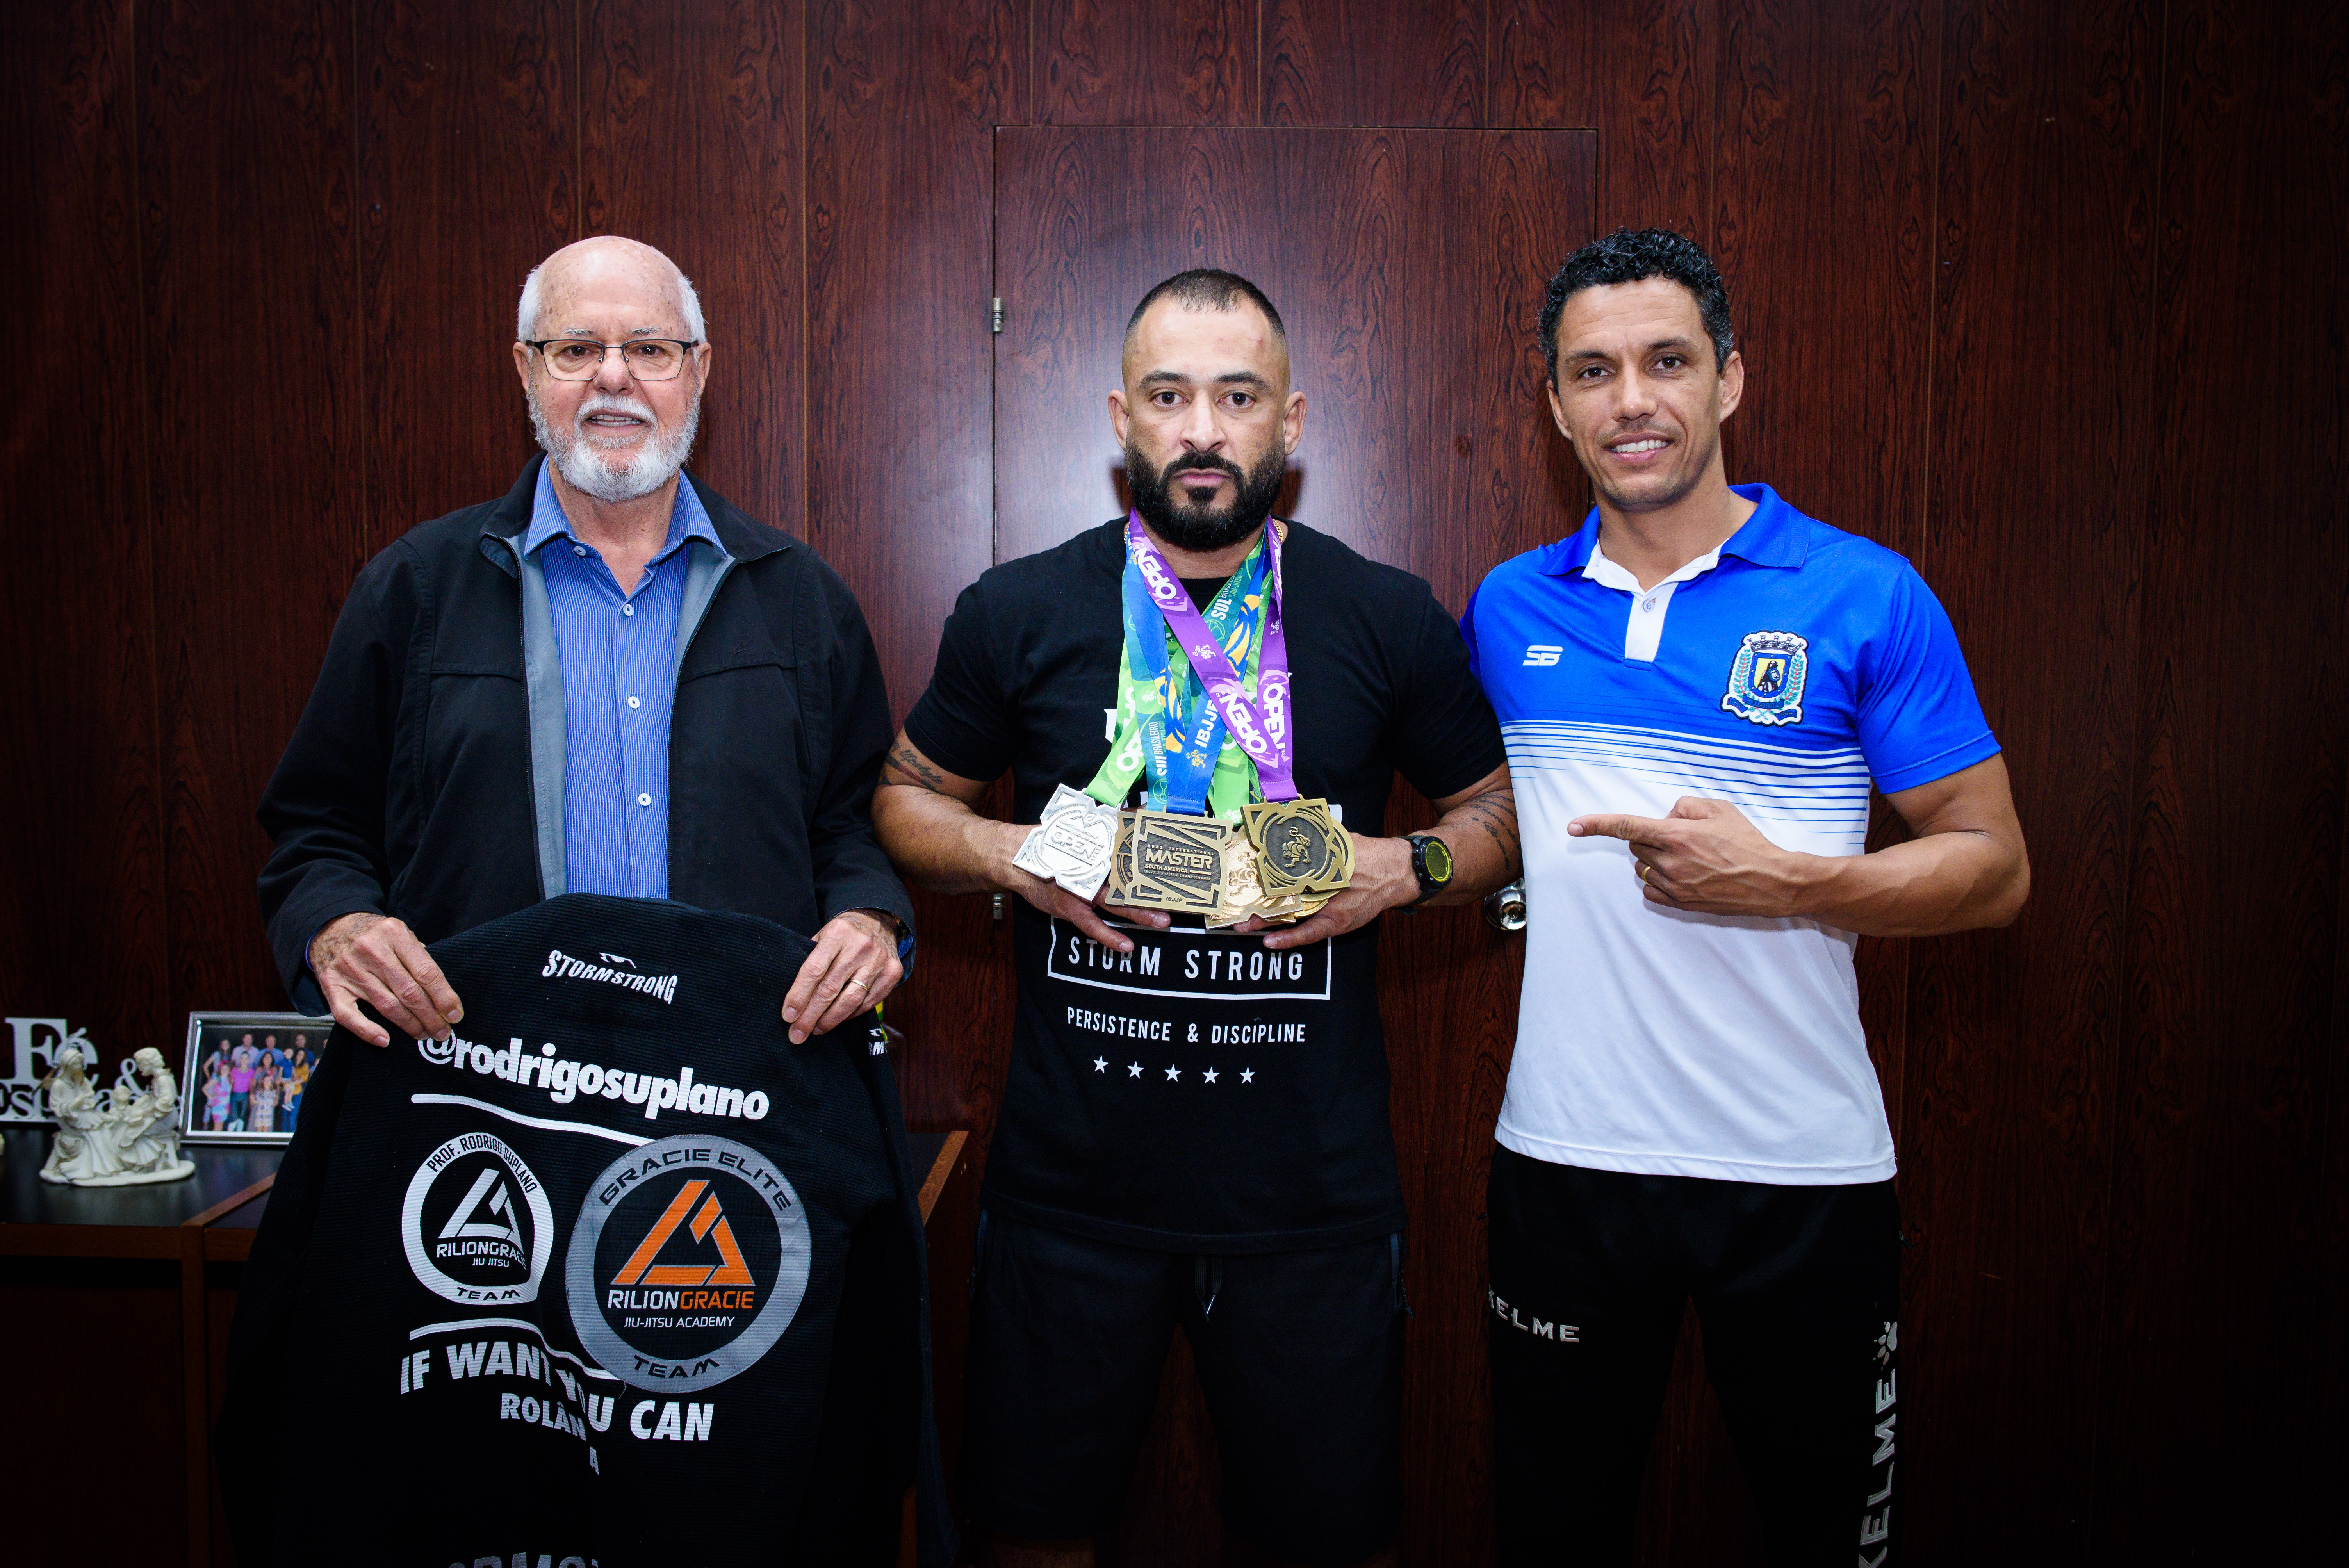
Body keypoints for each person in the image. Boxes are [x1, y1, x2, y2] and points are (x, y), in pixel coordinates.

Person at [875, 269, 1520, 1568]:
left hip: (1310, 1201)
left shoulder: (1384, 613)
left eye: (1238, 397)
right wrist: (1009, 853)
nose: (1203, 431)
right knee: (1031, 1536)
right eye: (1169, 397)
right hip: (1068, 1192)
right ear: (1123, 418)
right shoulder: (1017, 607)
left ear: (1292, 419)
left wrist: (1407, 868)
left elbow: (1500, 811)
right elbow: (901, 801)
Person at [1461, 228, 2030, 1565]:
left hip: (1799, 1176)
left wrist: (1786, 882)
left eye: (1667, 362)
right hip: (1565, 1165)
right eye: (1592, 371)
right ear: (1554, 405)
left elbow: (1994, 866)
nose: (1630, 401)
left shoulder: (1863, 594)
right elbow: (1493, 821)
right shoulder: (1509, 607)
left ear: (1728, 379)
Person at [255, 234, 913, 1053]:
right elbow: (318, 827)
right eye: (575, 350)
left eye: (649, 348)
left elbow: (854, 829)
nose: (613, 377)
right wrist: (338, 923)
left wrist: (868, 919)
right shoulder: (414, 589)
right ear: (526, 371)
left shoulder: (799, 599)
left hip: (734, 1078)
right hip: (485, 1082)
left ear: (699, 370)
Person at [228, 1036, 256, 1130]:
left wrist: (251, 1096)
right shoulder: (234, 1070)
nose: (244, 1060)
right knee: (234, 1117)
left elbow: (252, 1085)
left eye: (246, 1058)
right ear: (240, 1059)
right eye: (242, 1058)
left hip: (245, 1095)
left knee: (242, 1117)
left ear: (249, 1060)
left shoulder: (252, 1072)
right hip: (235, 1095)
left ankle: (239, 1135)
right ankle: (230, 1135)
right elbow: (231, 1084)